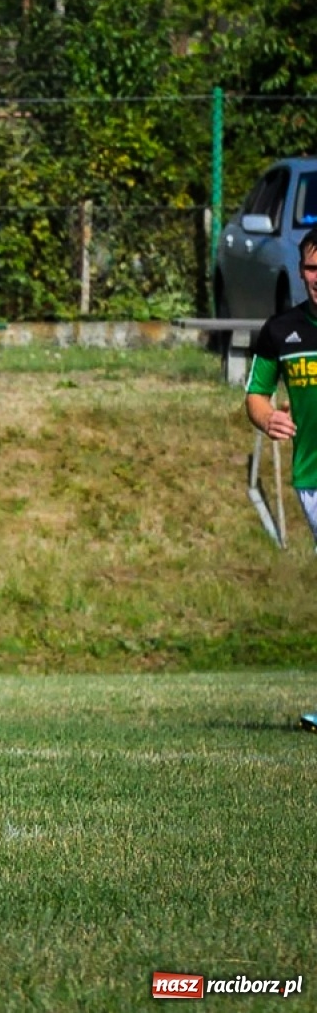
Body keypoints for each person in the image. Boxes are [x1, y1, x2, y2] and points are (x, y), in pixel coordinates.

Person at [244, 225, 317, 734]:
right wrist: (266, 417)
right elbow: (256, 393)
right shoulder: (282, 331)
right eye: (314, 268)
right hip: (313, 477)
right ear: (302, 270)